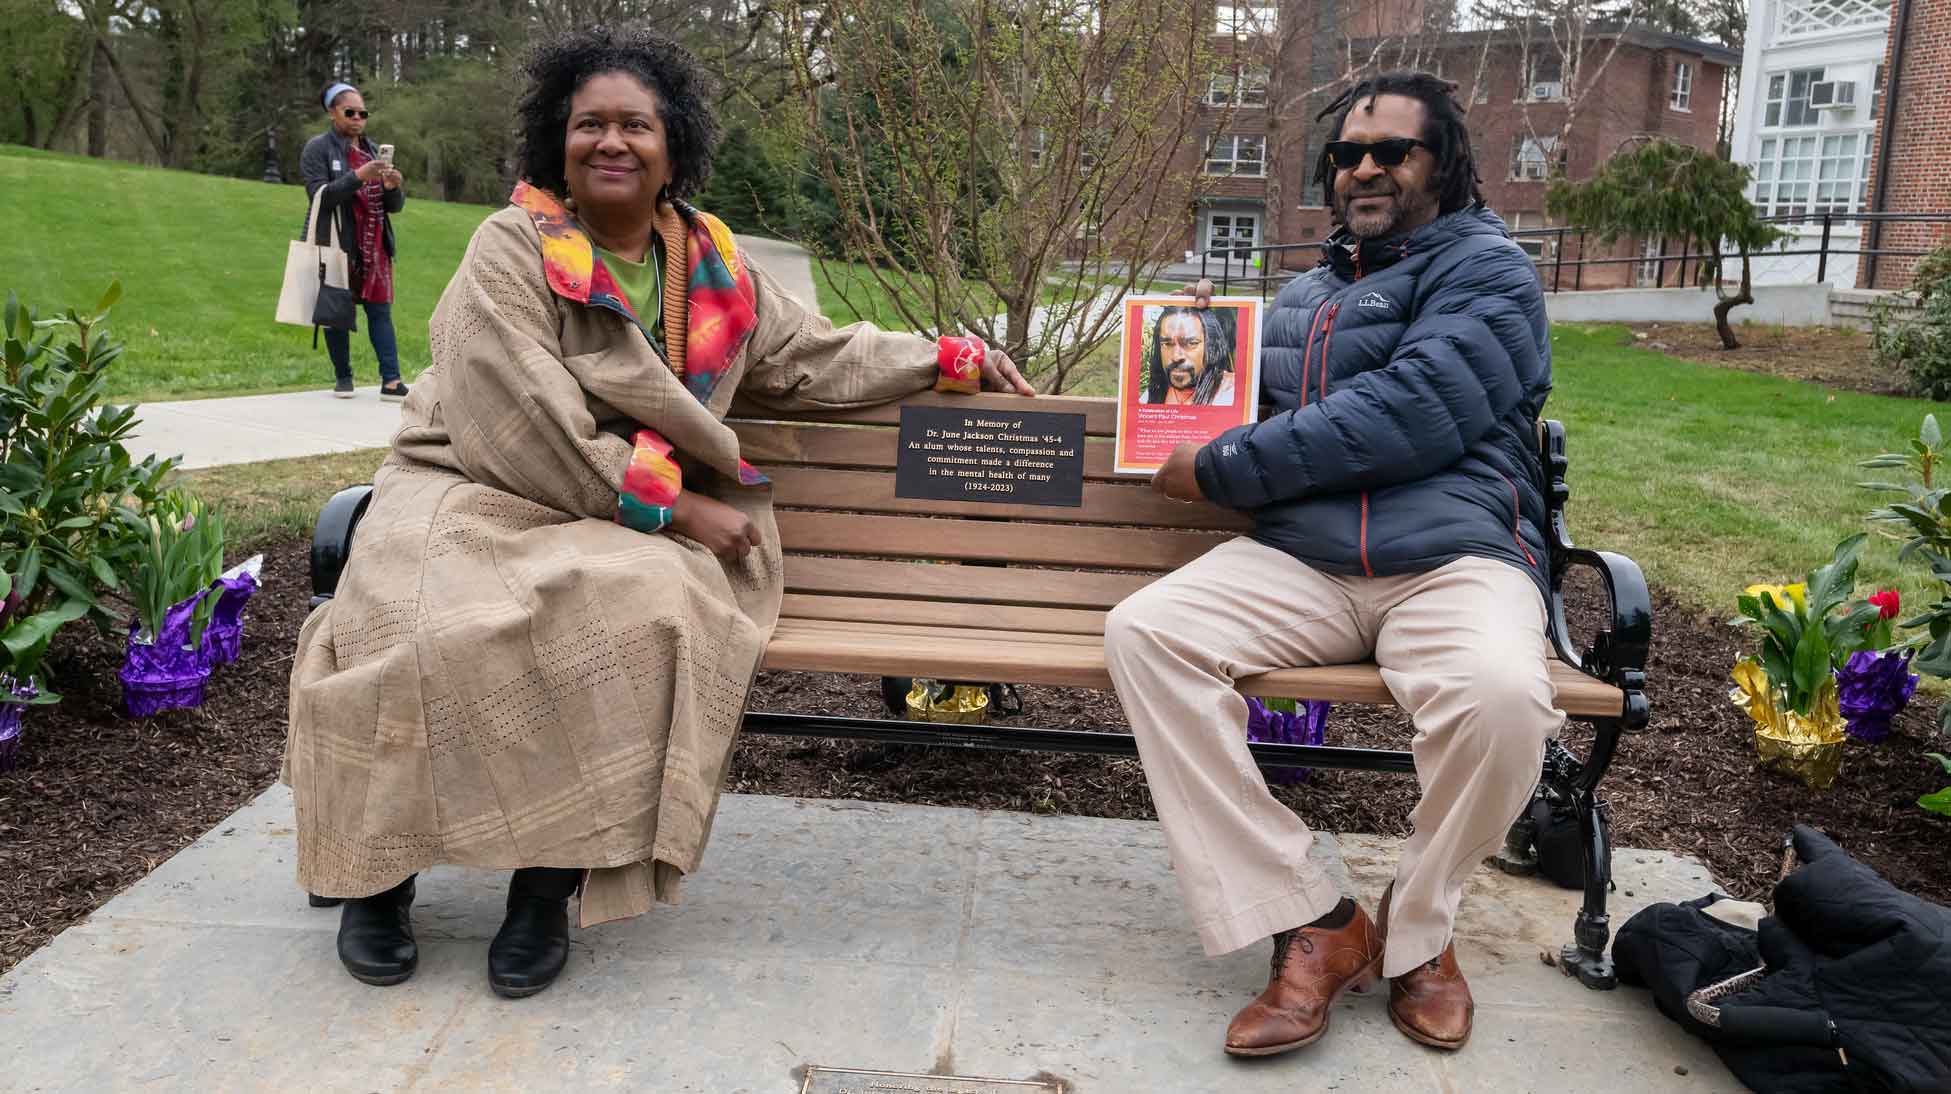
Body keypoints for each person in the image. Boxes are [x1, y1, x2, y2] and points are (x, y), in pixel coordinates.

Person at [284, 26, 1032, 1000]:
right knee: (409, 612)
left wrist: (942, 357)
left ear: (672, 144)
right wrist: (677, 508)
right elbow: (521, 420)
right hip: (470, 479)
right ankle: (377, 878)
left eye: (634, 124)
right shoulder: (511, 246)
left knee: (638, 609)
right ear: (557, 139)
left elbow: (814, 357)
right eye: (589, 122)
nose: (611, 141)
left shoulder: (711, 263)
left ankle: (545, 883)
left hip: (618, 517)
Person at [1103, 71, 1553, 1056]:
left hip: (1451, 558)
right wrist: (1198, 354)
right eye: (1348, 152)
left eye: (1392, 150)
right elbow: (1261, 418)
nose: (1364, 168)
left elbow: (1409, 412)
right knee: (1147, 632)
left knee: (1503, 694)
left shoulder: (1489, 271)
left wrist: (1219, 463)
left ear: (1443, 163)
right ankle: (1312, 917)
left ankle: (1418, 930)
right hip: (1305, 561)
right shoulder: (1306, 292)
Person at [300, 81, 410, 402]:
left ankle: (391, 381)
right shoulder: (318, 149)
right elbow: (319, 195)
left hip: (375, 245)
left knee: (381, 312)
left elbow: (395, 208)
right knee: (336, 309)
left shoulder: (373, 150)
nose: (358, 118)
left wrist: (393, 187)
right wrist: (359, 176)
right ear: (332, 113)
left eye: (363, 113)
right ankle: (343, 377)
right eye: (350, 112)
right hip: (337, 242)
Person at [1140, 305, 1234, 406]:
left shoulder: (1229, 391)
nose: (1176, 357)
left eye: (1191, 343)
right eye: (1167, 344)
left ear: (1211, 346)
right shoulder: (1155, 391)